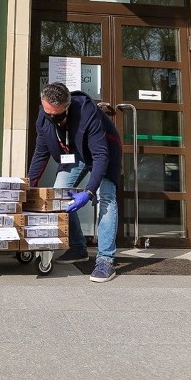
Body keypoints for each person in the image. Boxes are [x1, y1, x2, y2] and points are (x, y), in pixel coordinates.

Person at [27, 82, 122, 282]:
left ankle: (105, 260)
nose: (52, 118)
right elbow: (40, 153)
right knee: (59, 193)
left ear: (67, 107)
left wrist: (88, 192)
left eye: (57, 115)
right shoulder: (44, 118)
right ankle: (78, 247)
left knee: (106, 197)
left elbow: (100, 155)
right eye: (48, 113)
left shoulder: (88, 113)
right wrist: (29, 185)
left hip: (104, 150)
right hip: (76, 152)